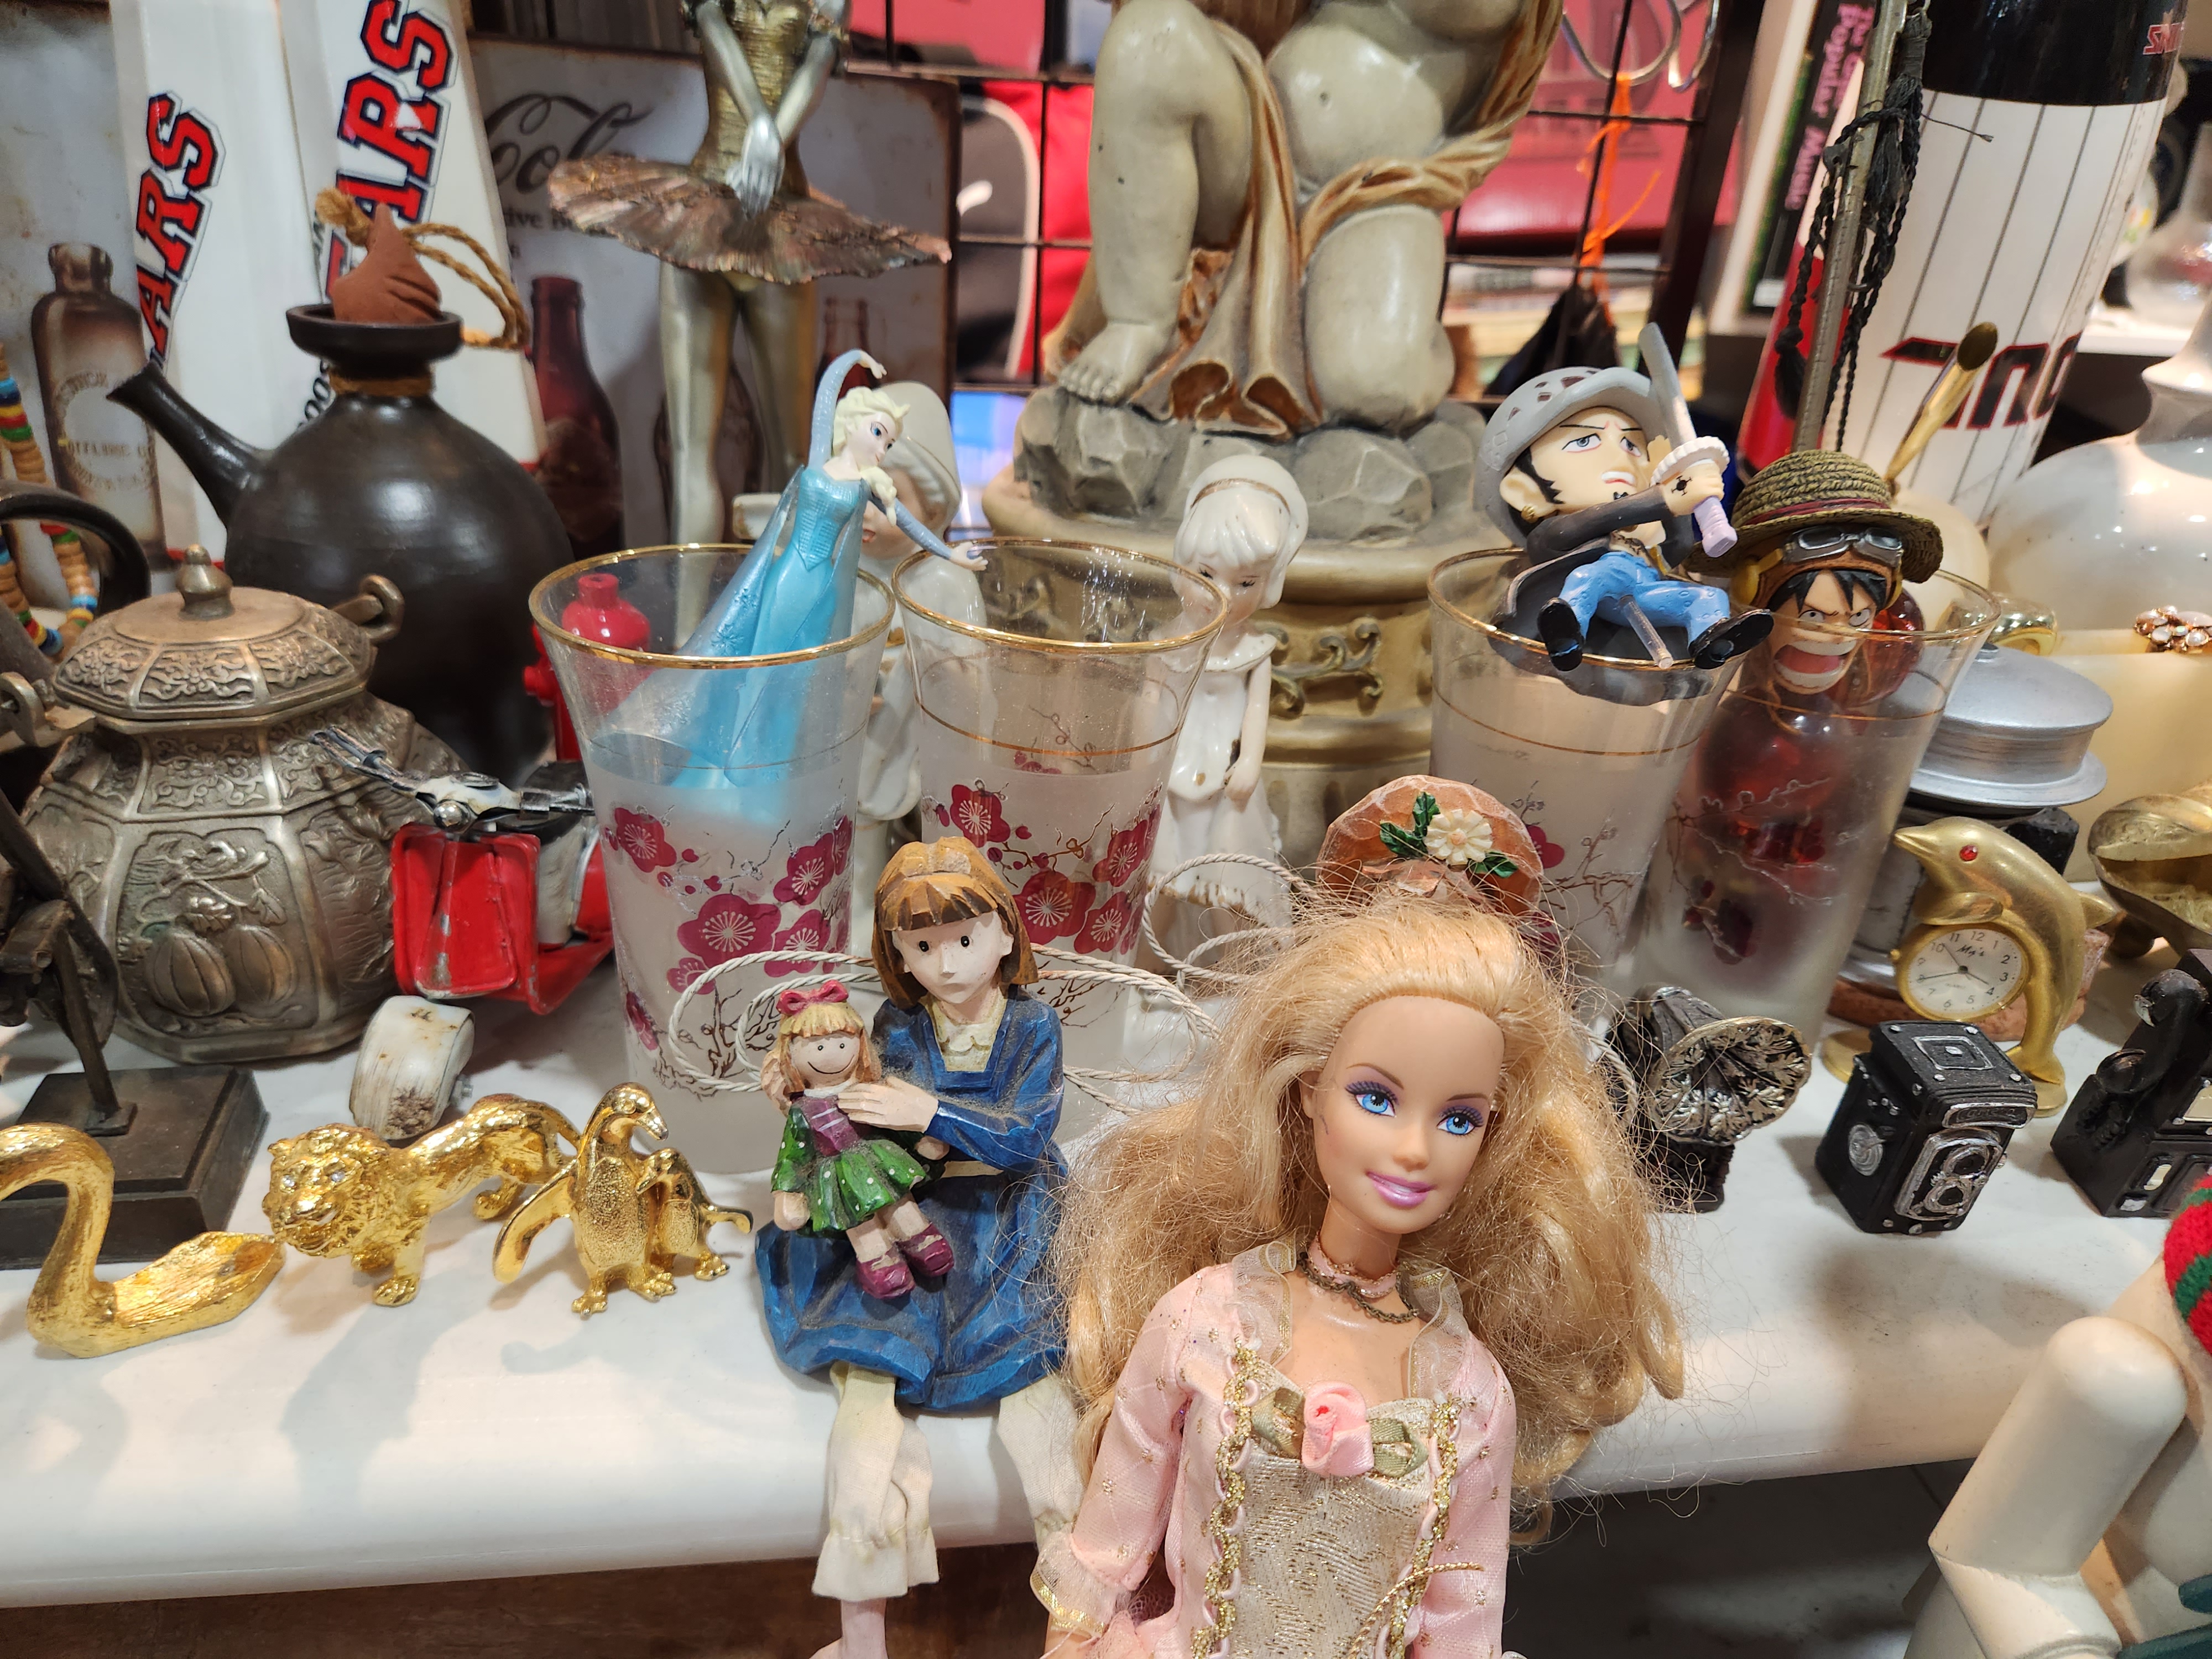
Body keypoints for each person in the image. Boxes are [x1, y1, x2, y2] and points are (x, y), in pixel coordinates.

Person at [1037, 890, 1682, 1655]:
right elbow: (1105, 1551)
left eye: (1459, 1119)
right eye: (1376, 1098)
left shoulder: (1467, 1394)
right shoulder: (1207, 1322)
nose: (1414, 1150)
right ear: (1310, 1091)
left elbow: (1461, 1623)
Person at [757, 837, 1079, 1659]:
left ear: (1005, 934)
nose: (947, 963)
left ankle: (1082, 1625)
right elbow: (867, 1113)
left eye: (965, 939)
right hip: (910, 1203)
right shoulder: (898, 1024)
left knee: (1040, 1392)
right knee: (871, 1382)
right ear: (897, 955)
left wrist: (931, 1114)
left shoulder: (1034, 1024)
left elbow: (1025, 1135)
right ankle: (861, 1632)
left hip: (1010, 1214)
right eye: (923, 947)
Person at [1051, 0, 1557, 434]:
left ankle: (1421, 345)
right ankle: (1140, 323)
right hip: (1252, 143)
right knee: (1151, 36)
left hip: (1375, 199)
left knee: (1374, 386)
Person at [548, 0, 946, 551]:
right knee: (709, 453)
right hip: (713, 222)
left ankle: (778, 604)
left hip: (762, 229)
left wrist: (767, 132)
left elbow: (808, 64)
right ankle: (695, 611)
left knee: (780, 454)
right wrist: (765, 128)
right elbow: (722, 32)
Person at [1475, 366, 1772, 674]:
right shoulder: (1554, 536)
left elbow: (1680, 545)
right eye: (1585, 441)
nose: (1623, 461)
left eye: (1631, 445)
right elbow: (1589, 523)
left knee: (1709, 596)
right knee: (1586, 578)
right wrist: (1664, 498)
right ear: (1524, 491)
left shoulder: (1641, 545)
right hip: (1603, 585)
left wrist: (1681, 505)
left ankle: (1713, 642)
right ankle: (1567, 632)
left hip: (1645, 590)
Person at [1148, 455, 1307, 944]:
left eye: (1245, 583)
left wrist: (1250, 764)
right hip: (1167, 776)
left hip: (1225, 781)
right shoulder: (1166, 642)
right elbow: (1150, 701)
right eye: (1206, 574)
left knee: (1226, 883)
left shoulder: (1254, 651)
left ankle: (1226, 966)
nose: (1223, 595)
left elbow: (1256, 710)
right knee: (1160, 882)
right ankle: (1145, 965)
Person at [761, 980, 954, 1301]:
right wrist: (788, 1194)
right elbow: (794, 1154)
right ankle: (878, 1259)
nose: (832, 1055)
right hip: (836, 1176)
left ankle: (920, 1239)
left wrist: (919, 1139)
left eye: (842, 1043)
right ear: (790, 1055)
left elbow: (891, 1121)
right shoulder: (803, 1112)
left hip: (878, 1156)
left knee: (901, 1205)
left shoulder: (866, 1091)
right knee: (860, 1223)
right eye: (818, 1048)